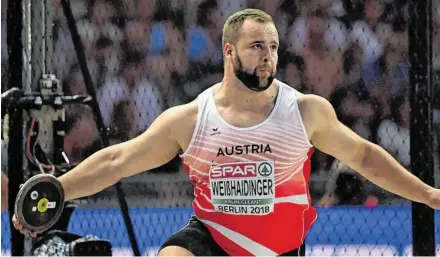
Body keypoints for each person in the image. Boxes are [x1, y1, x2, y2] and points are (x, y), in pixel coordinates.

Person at [13, 8, 440, 256]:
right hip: (211, 240)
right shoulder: (191, 118)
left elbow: (364, 157)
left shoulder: (306, 111)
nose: (268, 57)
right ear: (229, 51)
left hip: (278, 250)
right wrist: (53, 191)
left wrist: (429, 194)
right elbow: (118, 159)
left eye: (273, 47)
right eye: (257, 47)